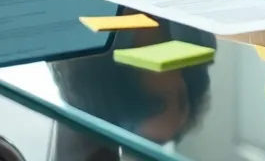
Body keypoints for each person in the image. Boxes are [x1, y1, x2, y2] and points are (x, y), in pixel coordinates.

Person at [48, 21, 215, 161]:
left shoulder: (91, 35)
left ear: (124, 91)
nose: (180, 81)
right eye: (182, 99)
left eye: (159, 101)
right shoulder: (196, 40)